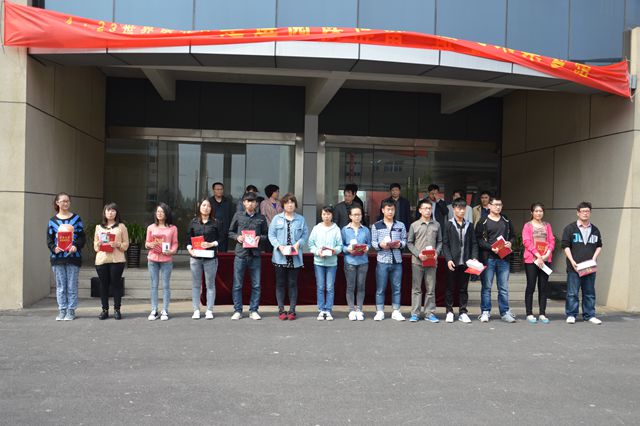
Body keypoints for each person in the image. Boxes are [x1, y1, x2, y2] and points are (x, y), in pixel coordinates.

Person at [475, 195, 516, 323]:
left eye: (500, 205)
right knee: (486, 287)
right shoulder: (483, 221)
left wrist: (510, 243)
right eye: (495, 205)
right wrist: (490, 247)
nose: (498, 207)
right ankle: (485, 311)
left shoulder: (506, 220)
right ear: (489, 206)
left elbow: (513, 236)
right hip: (488, 258)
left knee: (503, 288)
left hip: (504, 258)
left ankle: (504, 312)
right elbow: (478, 240)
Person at [561, 202, 603, 325]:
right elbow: (565, 246)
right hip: (575, 267)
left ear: (590, 213)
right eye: (583, 211)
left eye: (587, 211)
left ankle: (589, 315)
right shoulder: (570, 228)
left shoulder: (595, 230)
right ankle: (571, 314)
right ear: (578, 213)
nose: (585, 213)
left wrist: (594, 259)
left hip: (589, 266)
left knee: (589, 292)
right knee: (572, 293)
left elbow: (599, 245)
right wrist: (572, 260)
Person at [268, 193, 309, 320]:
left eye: (292, 202)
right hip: (280, 256)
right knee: (280, 283)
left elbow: (305, 235)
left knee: (292, 283)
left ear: (295, 205)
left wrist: (298, 244)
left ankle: (292, 310)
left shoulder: (301, 219)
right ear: (283, 205)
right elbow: (271, 235)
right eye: (287, 203)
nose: (290, 205)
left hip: (295, 257)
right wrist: (278, 246)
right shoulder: (276, 219)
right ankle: (281, 310)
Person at [228, 192, 268, 320]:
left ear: (256, 204)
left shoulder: (261, 218)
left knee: (256, 285)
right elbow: (230, 232)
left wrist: (259, 237)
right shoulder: (238, 215)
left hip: (255, 255)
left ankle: (254, 310)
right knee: (237, 285)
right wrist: (237, 237)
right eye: (248, 201)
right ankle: (238, 310)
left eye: (253, 201)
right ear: (244, 203)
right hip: (241, 254)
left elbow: (266, 235)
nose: (250, 203)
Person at [47, 192, 86, 321]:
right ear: (57, 203)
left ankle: (71, 310)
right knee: (61, 286)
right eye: (63, 201)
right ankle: (62, 310)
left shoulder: (76, 218)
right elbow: (49, 239)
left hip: (73, 257)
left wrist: (76, 246)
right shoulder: (52, 221)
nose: (66, 203)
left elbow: (82, 236)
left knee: (71, 285)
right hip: (57, 258)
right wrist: (54, 248)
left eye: (68, 201)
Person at [442, 198, 479, 324]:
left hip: (466, 262)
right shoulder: (448, 224)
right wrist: (448, 259)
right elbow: (445, 244)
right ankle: (449, 311)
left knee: (464, 288)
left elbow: (474, 243)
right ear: (454, 209)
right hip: (452, 262)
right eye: (459, 208)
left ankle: (463, 312)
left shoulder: (469, 225)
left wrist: (474, 257)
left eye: (463, 208)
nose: (462, 211)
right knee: (450, 288)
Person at [371, 199, 408, 321]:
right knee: (380, 288)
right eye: (388, 209)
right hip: (382, 260)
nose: (390, 212)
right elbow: (373, 242)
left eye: (392, 209)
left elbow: (405, 240)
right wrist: (380, 245)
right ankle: (380, 311)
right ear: (383, 210)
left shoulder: (400, 225)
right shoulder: (376, 225)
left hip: (397, 260)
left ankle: (396, 311)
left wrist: (400, 244)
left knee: (397, 288)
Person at [407, 199, 442, 322]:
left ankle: (429, 313)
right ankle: (415, 313)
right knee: (416, 289)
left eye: (429, 208)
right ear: (420, 210)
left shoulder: (437, 225)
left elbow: (440, 241)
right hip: (417, 262)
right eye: (425, 208)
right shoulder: (414, 225)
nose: (428, 210)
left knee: (430, 289)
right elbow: (409, 243)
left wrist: (437, 252)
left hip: (432, 261)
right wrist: (418, 254)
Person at [94, 202, 129, 320]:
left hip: (117, 260)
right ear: (104, 212)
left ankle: (117, 309)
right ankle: (104, 310)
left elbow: (126, 245)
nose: (110, 213)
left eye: (113, 210)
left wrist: (117, 244)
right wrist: (99, 243)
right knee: (103, 285)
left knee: (116, 284)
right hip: (102, 260)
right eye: (108, 210)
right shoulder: (98, 227)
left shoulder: (121, 227)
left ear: (116, 213)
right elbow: (95, 246)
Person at [187, 198, 220, 320]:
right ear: (199, 207)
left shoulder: (215, 222)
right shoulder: (193, 222)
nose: (206, 208)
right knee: (196, 284)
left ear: (211, 209)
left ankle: (209, 310)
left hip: (210, 258)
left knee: (210, 284)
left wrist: (211, 244)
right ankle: (196, 309)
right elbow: (188, 239)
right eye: (203, 205)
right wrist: (190, 249)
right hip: (196, 258)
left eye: (208, 206)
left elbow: (221, 238)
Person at [522, 203, 555, 324]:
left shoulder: (547, 225)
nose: (538, 213)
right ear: (531, 212)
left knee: (543, 287)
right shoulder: (527, 226)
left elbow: (551, 240)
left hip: (545, 259)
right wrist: (538, 255)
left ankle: (542, 313)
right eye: (536, 211)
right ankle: (529, 313)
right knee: (531, 286)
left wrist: (547, 254)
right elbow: (526, 241)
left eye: (540, 211)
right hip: (532, 260)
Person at [145, 203, 179, 321]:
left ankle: (165, 310)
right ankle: (154, 310)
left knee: (166, 285)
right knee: (154, 285)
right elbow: (147, 243)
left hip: (166, 259)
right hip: (152, 259)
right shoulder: (151, 227)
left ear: (166, 213)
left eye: (162, 211)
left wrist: (171, 251)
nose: (159, 214)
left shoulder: (173, 228)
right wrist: (150, 244)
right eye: (158, 211)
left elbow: (175, 243)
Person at [308, 206, 343, 321]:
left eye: (328, 214)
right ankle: (321, 309)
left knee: (329, 287)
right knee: (320, 286)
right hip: (319, 262)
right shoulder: (316, 228)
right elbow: (311, 244)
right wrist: (318, 251)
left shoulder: (336, 229)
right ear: (321, 215)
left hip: (332, 263)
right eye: (324, 214)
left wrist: (334, 251)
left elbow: (340, 246)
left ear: (332, 215)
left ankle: (328, 310)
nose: (326, 216)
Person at [341, 205, 371, 321]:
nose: (357, 217)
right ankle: (351, 310)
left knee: (361, 286)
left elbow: (369, 244)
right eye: (355, 215)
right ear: (350, 216)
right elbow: (341, 245)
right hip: (350, 261)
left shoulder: (365, 230)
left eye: (359, 214)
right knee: (350, 286)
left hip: (363, 261)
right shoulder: (345, 230)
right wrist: (347, 249)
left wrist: (367, 248)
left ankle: (359, 309)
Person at [208, 182, 234, 252]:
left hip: (224, 230)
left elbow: (231, 215)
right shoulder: (209, 201)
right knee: (211, 250)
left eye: (221, 189)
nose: (219, 191)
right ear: (213, 190)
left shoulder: (228, 201)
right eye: (217, 189)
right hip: (212, 230)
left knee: (223, 251)